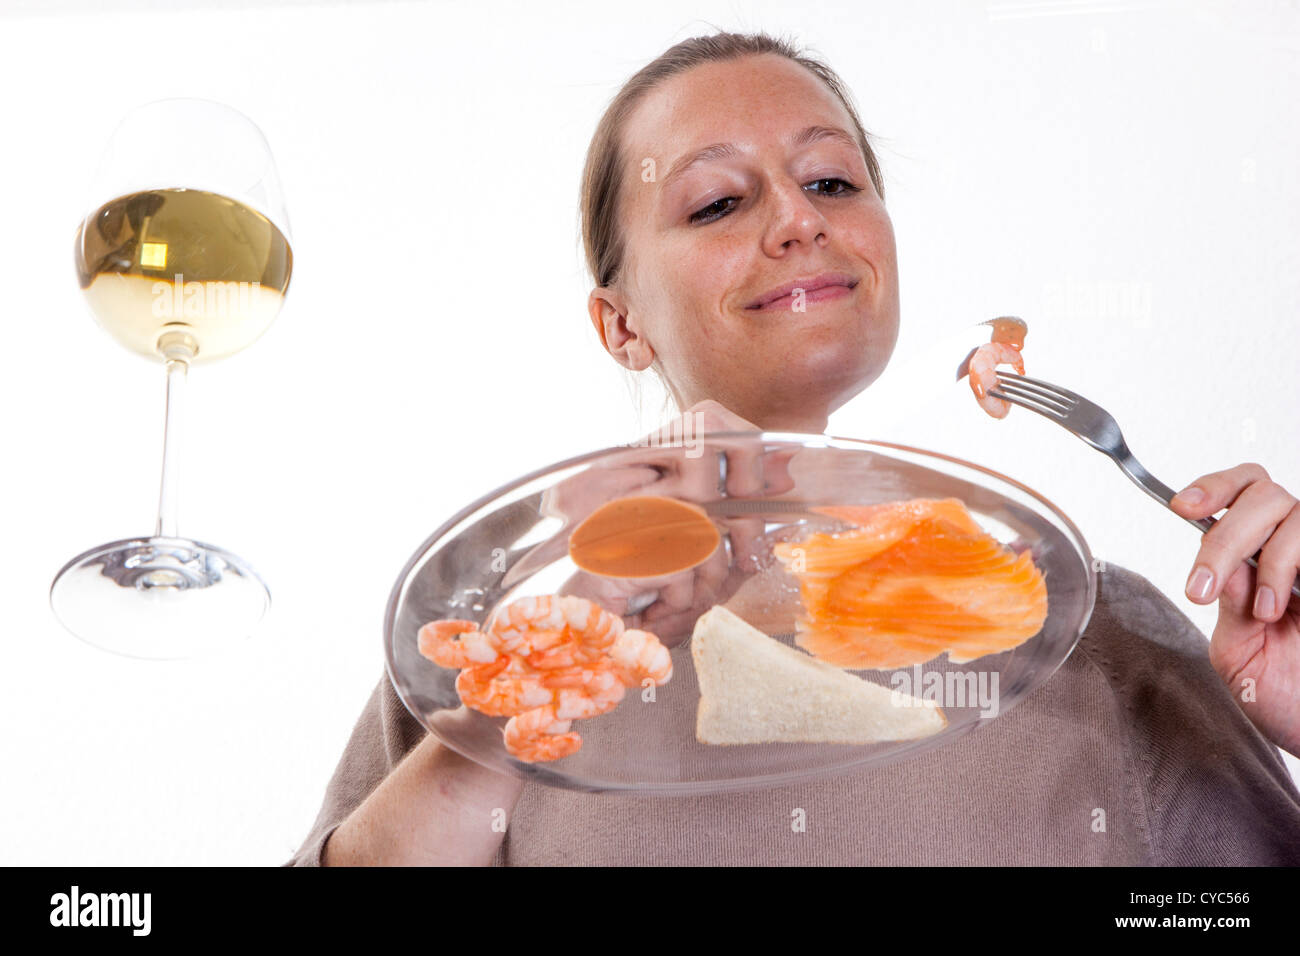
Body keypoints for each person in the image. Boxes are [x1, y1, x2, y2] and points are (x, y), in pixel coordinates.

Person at [286, 30, 1300, 866]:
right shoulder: (511, 653)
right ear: (620, 325)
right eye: (719, 201)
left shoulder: (1094, 625)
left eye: (830, 180)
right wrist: (528, 697)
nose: (798, 219)